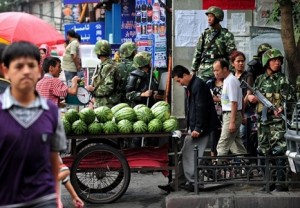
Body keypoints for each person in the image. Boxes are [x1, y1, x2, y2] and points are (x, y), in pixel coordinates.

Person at [0, 41, 67, 207]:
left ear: (38, 71)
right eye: (19, 66)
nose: (25, 72)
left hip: (43, 200)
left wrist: (56, 196)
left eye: (31, 65)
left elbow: (53, 159)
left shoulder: (51, 111)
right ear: (6, 71)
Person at [158, 65, 220, 192]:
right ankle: (177, 182)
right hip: (194, 126)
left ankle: (194, 183)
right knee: (185, 153)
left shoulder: (198, 85)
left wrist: (198, 128)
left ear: (185, 75)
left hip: (201, 127)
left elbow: (201, 108)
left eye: (179, 81)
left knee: (190, 155)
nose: (179, 84)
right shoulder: (192, 85)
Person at [248, 48, 295, 192]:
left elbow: (291, 100)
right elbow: (251, 99)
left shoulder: (282, 79)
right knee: (263, 151)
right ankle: (268, 182)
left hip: (277, 123)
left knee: (279, 151)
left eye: (279, 60)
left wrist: (281, 108)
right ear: (267, 62)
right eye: (274, 60)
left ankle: (281, 183)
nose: (277, 63)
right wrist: (251, 99)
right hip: (263, 123)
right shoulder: (260, 80)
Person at [126, 51, 161, 147]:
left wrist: (155, 94)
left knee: (152, 136)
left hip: (151, 109)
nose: (151, 63)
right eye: (149, 61)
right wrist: (142, 94)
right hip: (139, 111)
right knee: (138, 136)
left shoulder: (151, 75)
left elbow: (154, 87)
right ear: (144, 63)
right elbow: (128, 94)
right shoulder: (134, 77)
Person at [191, 6, 236, 82]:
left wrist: (232, 71)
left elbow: (232, 55)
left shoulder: (226, 35)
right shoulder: (204, 34)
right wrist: (193, 70)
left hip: (220, 70)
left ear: (218, 18)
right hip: (204, 70)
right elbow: (197, 53)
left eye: (211, 16)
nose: (209, 19)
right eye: (208, 16)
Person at [213, 59, 247, 158]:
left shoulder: (231, 81)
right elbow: (233, 99)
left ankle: (219, 169)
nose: (215, 73)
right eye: (214, 70)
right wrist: (217, 99)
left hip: (231, 114)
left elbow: (234, 103)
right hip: (232, 114)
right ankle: (244, 167)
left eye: (217, 70)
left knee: (222, 144)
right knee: (236, 144)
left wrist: (232, 121)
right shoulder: (229, 80)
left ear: (225, 69)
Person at [231, 50, 255, 153]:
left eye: (243, 61)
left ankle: (245, 159)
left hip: (244, 110)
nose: (241, 63)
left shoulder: (248, 75)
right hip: (232, 110)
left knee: (242, 133)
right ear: (233, 63)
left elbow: (248, 94)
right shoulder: (230, 76)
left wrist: (240, 111)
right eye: (238, 61)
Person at [86, 40, 120, 108]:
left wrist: (93, 89)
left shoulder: (107, 67)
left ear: (98, 53)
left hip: (107, 105)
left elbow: (108, 87)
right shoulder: (104, 65)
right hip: (103, 103)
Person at [206, 70, 223, 157]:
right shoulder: (209, 83)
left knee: (223, 137)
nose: (217, 73)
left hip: (224, 113)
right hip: (213, 112)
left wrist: (219, 99)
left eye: (218, 70)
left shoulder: (226, 83)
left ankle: (223, 159)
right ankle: (213, 159)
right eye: (215, 70)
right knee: (213, 135)